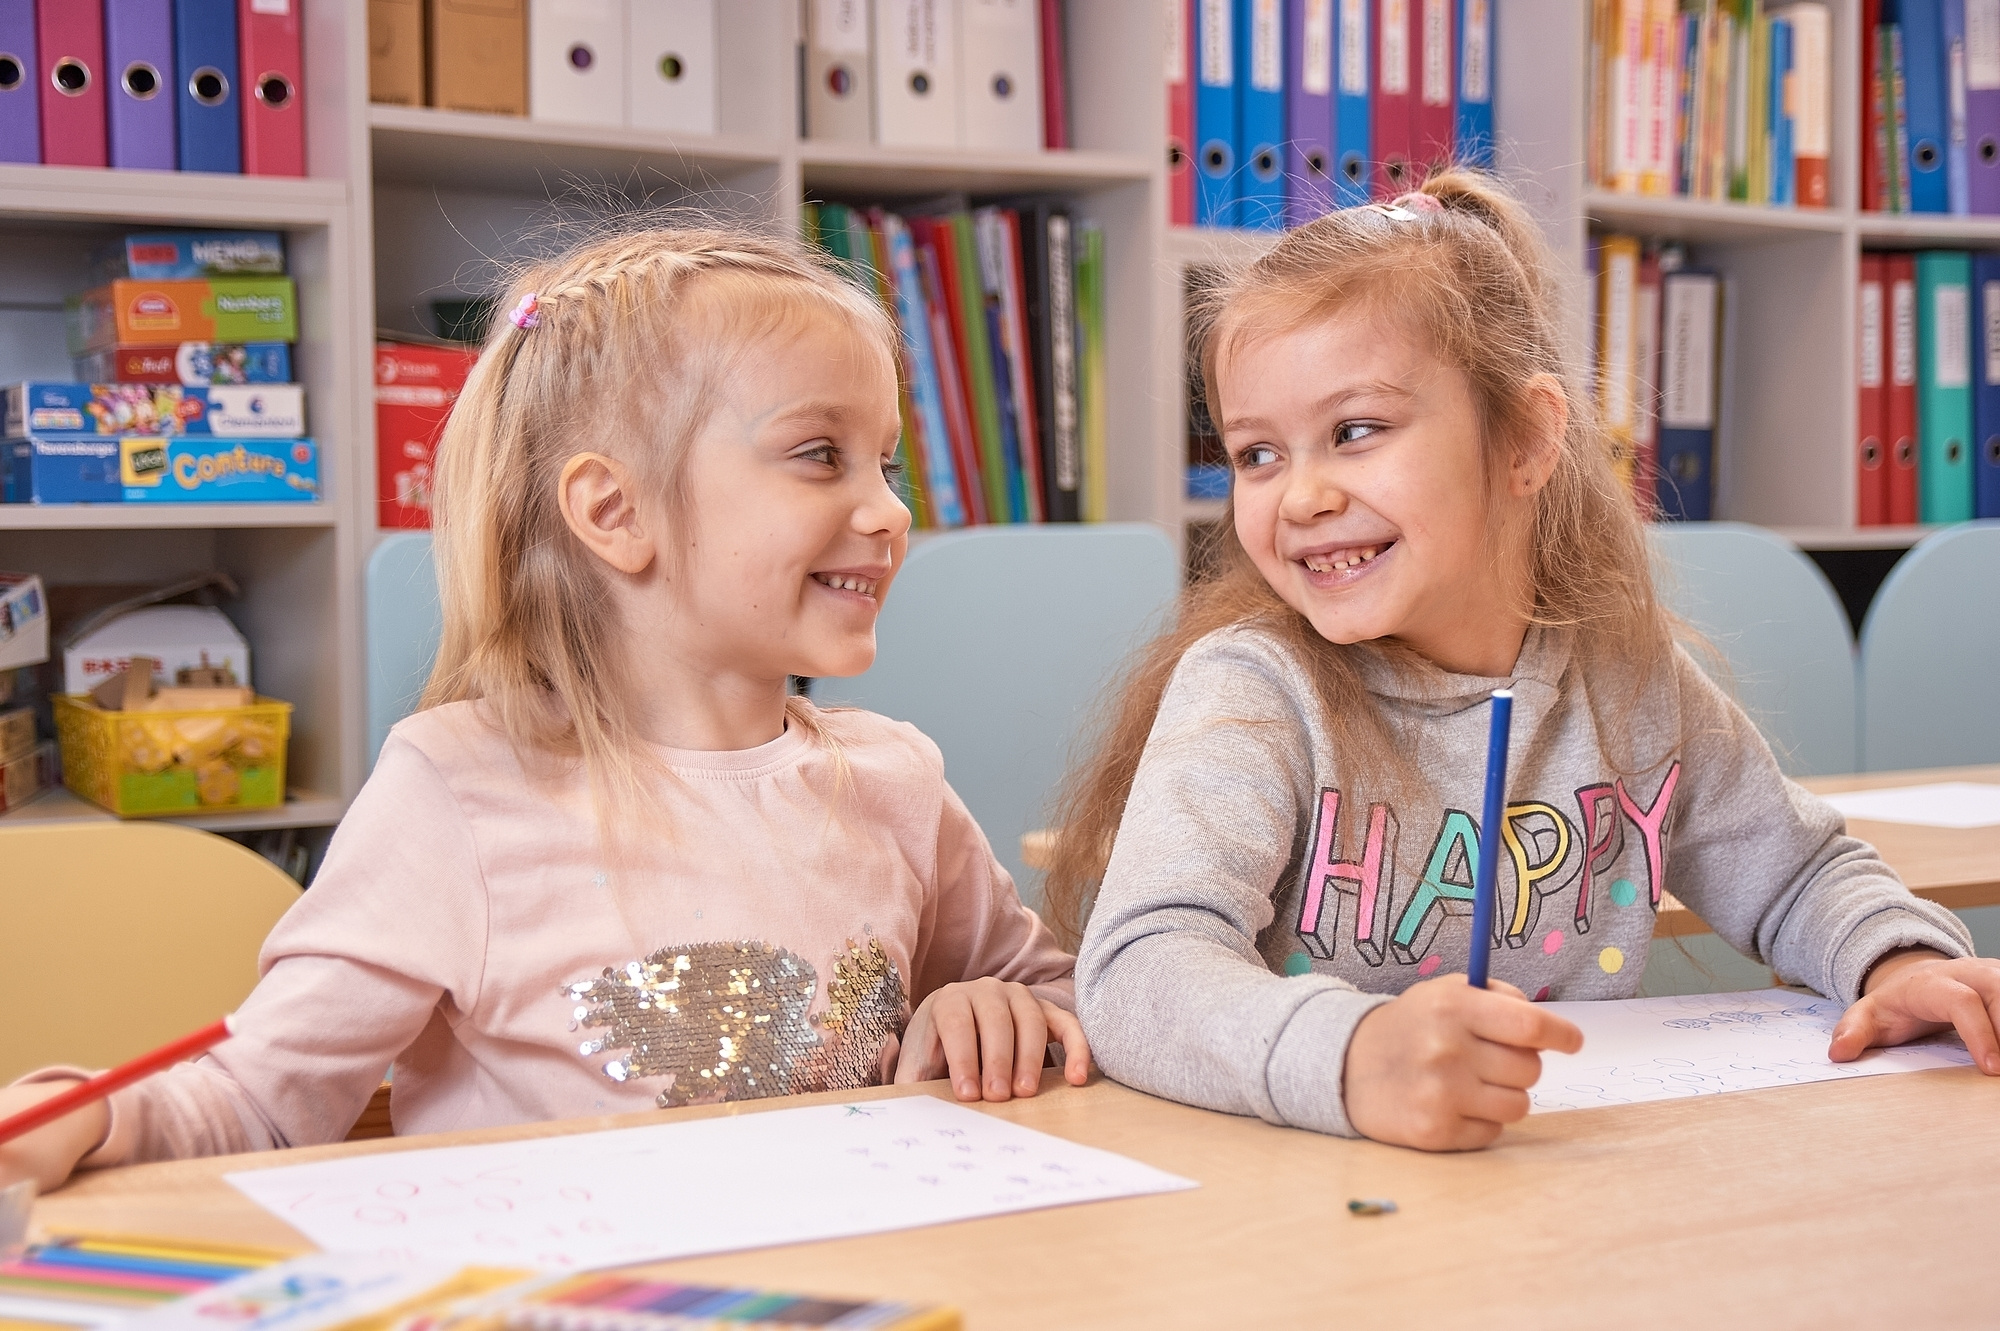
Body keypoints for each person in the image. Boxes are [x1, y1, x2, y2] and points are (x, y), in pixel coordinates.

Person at [2, 227, 1086, 1192]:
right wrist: (87, 1112)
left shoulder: (894, 778)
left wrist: (998, 1009)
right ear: (612, 512)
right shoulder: (457, 791)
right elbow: (260, 1101)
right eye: (820, 455)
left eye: (886, 461)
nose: (889, 508)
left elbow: (1073, 1005)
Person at [1048, 171, 2000, 1152]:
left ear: (1526, 440)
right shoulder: (1253, 689)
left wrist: (1896, 961)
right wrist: (1355, 1051)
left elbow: (1796, 876)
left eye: (1354, 431)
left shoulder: (1629, 683)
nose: (1299, 497)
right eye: (1256, 454)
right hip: (1304, 1189)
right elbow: (1137, 969)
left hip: (1549, 1187)